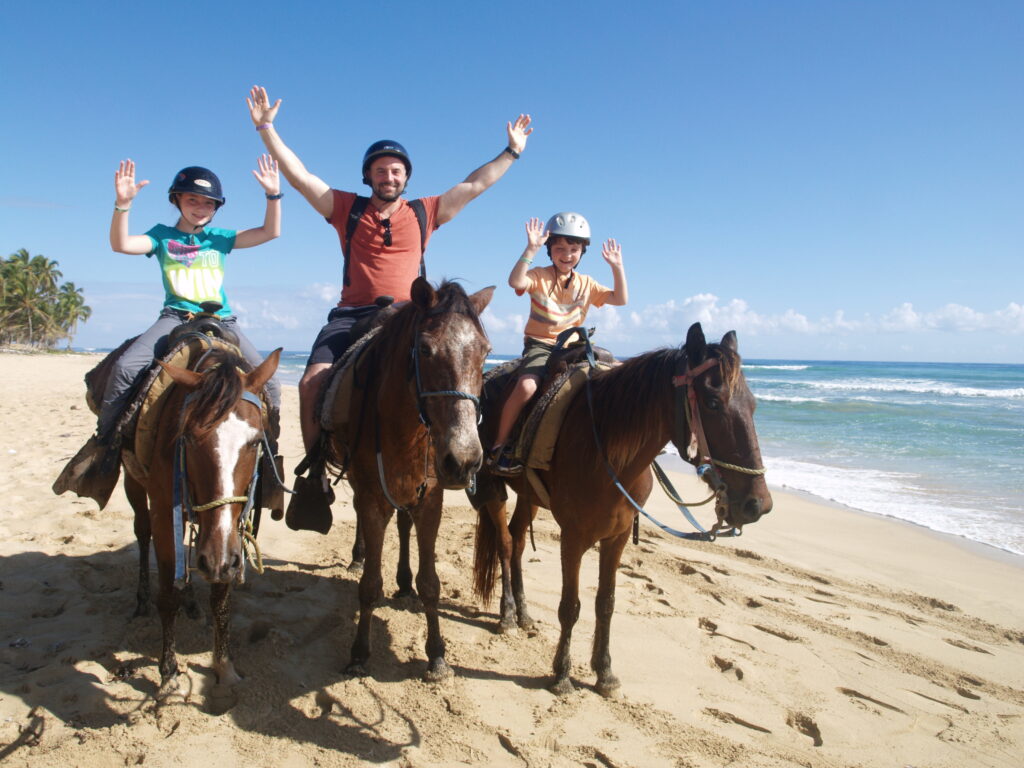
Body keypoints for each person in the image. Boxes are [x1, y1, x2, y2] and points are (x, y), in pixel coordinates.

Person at [245, 85, 533, 455]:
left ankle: (454, 451)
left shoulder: (423, 212)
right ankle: (314, 472)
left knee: (450, 367)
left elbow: (475, 184)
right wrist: (266, 130)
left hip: (407, 314)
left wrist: (511, 152)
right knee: (311, 382)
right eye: (380, 171)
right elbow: (300, 176)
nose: (389, 177)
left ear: (406, 178)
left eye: (396, 171)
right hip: (351, 315)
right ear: (369, 177)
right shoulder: (346, 209)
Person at [58, 157, 285, 508]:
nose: (201, 207)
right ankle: (105, 447)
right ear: (177, 200)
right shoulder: (162, 236)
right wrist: (123, 205)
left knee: (268, 382)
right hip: (176, 317)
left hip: (222, 320)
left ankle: (269, 454)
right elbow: (121, 244)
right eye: (192, 200)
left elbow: (271, 233)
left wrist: (273, 196)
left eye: (208, 202)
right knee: (125, 368)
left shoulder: (220, 238)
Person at [489, 212, 629, 475]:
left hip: (576, 346)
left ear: (582, 252)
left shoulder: (587, 283)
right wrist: (530, 249)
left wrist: (617, 267)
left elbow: (620, 299)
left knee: (617, 375)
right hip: (541, 345)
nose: (567, 254)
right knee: (527, 386)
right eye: (560, 248)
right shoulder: (539, 275)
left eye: (574, 249)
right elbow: (515, 282)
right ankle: (499, 445)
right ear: (550, 250)